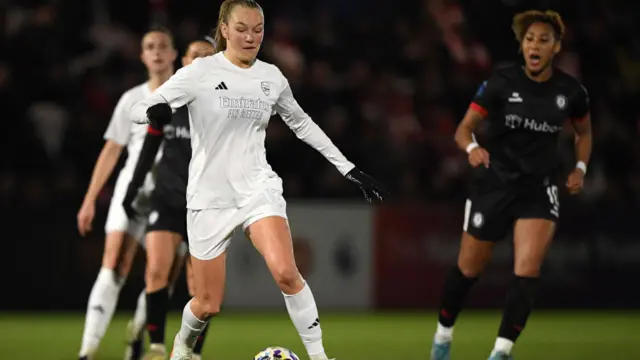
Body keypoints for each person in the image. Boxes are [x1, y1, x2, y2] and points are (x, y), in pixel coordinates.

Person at [129, 1, 388, 359]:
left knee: (286, 272)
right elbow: (136, 108)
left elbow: (302, 124)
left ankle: (320, 357)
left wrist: (346, 167)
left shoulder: (271, 77)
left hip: (257, 188)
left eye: (258, 29)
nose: (251, 37)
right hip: (209, 197)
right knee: (206, 304)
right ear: (223, 29)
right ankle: (182, 348)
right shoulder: (200, 72)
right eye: (241, 29)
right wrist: (152, 111)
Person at [429, 10, 592, 360]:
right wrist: (472, 149)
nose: (535, 45)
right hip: (495, 184)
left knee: (527, 270)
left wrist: (580, 166)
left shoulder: (570, 91)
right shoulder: (501, 83)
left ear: (556, 47)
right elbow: (463, 129)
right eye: (530, 39)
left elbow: (584, 132)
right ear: (522, 45)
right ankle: (443, 336)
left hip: (539, 188)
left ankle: (501, 351)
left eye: (543, 40)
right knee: (467, 270)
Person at [75, 28, 181, 360]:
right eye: (149, 46)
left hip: (173, 190)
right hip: (132, 188)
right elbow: (111, 151)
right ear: (141, 56)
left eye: (163, 46)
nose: (157, 52)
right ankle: (87, 349)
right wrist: (90, 198)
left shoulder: (188, 96)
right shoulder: (131, 99)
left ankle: (137, 332)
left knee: (164, 275)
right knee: (113, 264)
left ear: (175, 54)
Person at [122, 38, 216, 360]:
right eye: (196, 56)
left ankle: (192, 353)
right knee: (156, 272)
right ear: (185, 62)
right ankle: (157, 347)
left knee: (202, 290)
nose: (202, 61)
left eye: (209, 57)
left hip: (206, 207)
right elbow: (149, 150)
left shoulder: (225, 108)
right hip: (167, 200)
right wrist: (132, 191)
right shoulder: (170, 103)